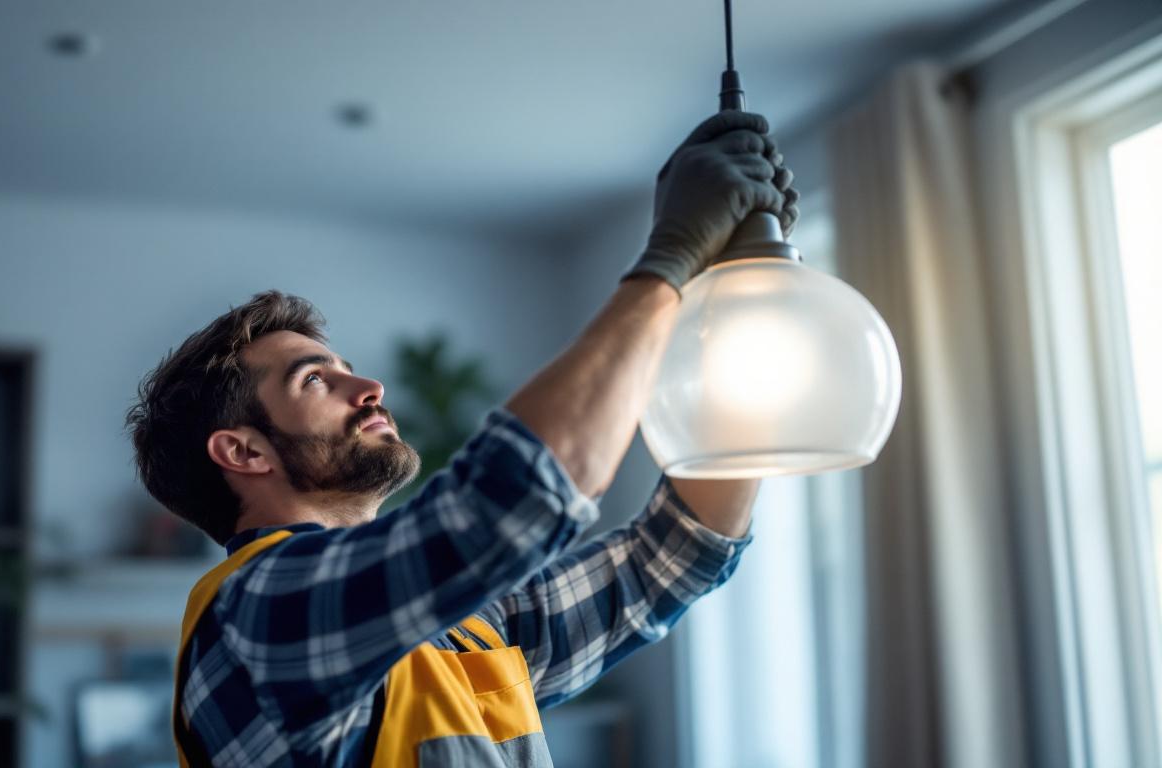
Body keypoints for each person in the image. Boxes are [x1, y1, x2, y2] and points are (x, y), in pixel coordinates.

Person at [125, 110, 798, 768]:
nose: (370, 389)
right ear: (244, 451)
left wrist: (727, 292)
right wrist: (673, 256)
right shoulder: (255, 613)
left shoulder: (462, 629)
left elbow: (678, 553)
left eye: (348, 371)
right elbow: (512, 502)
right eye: (315, 380)